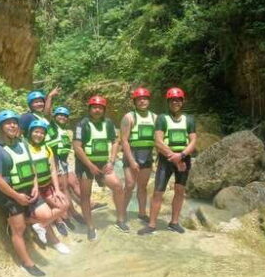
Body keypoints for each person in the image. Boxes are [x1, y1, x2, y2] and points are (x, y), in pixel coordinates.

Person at [0, 110, 68, 277]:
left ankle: (27, 222)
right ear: (0, 127)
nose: (12, 125)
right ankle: (27, 263)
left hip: (29, 190)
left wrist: (36, 186)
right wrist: (17, 197)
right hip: (10, 196)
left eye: (14, 122)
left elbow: (31, 167)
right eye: (7, 123)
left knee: (46, 216)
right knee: (19, 230)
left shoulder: (23, 143)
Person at [138, 88, 197, 235]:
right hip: (166, 160)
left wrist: (181, 155)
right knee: (158, 192)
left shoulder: (189, 119)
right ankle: (152, 225)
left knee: (179, 191)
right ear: (168, 102)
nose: (175, 102)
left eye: (178, 100)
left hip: (184, 159)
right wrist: (173, 156)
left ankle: (174, 222)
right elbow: (158, 141)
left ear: (182, 101)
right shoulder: (162, 118)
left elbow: (193, 142)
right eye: (172, 100)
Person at [72, 95, 127, 240]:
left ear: (104, 110)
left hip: (103, 163)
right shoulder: (81, 124)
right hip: (85, 165)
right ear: (89, 109)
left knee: (118, 187)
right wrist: (90, 165)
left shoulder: (108, 123)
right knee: (85, 195)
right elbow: (77, 147)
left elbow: (116, 141)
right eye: (94, 107)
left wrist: (112, 161)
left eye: (100, 108)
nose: (97, 110)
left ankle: (120, 220)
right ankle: (90, 227)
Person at [26, 118, 74, 241]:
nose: (39, 135)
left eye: (42, 133)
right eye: (36, 132)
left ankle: (41, 225)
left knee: (64, 204)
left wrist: (57, 190)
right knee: (46, 214)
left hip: (47, 186)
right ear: (30, 132)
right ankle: (30, 221)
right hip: (33, 189)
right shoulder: (25, 148)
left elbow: (53, 170)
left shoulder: (47, 148)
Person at [120, 87, 157, 224]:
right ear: (135, 102)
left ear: (148, 100)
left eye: (145, 98)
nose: (142, 101)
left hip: (147, 155)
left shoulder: (155, 117)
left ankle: (142, 213)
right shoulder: (129, 117)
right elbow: (124, 140)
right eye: (139, 99)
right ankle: (122, 213)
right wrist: (131, 160)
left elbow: (158, 139)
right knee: (129, 185)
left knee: (143, 186)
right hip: (132, 154)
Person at [45, 106, 85, 225]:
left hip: (63, 162)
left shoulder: (65, 131)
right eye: (59, 115)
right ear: (54, 116)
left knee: (65, 187)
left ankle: (70, 212)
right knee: (61, 188)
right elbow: (46, 113)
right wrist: (51, 97)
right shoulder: (51, 126)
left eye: (65, 116)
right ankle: (65, 215)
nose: (62, 117)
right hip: (54, 161)